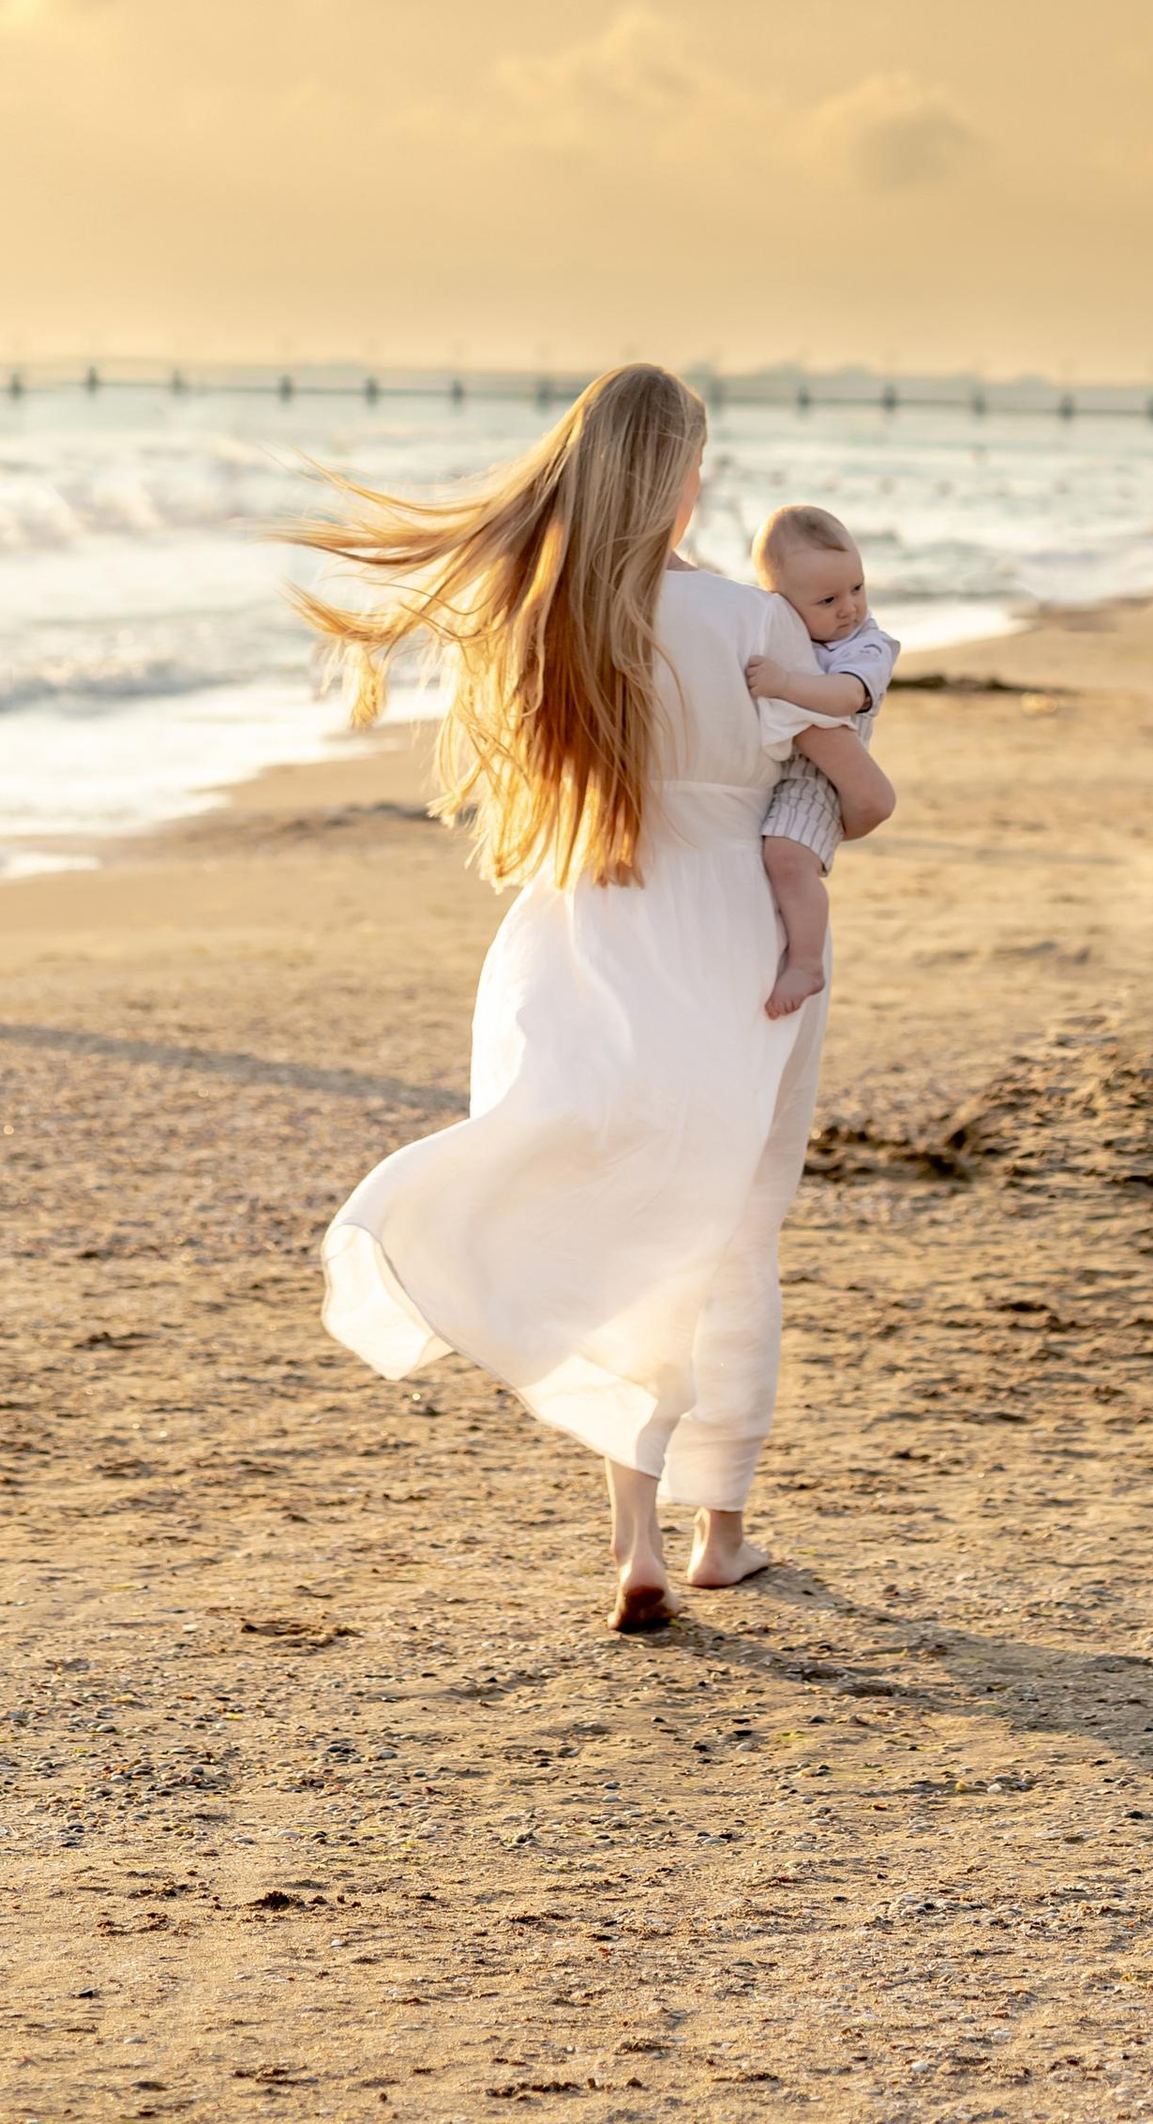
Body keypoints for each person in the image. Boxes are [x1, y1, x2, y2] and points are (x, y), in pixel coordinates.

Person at [297, 365, 893, 1632]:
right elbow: (862, 790)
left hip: (585, 923)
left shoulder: (547, 623)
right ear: (682, 480)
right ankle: (717, 1533)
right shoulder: (750, 618)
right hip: (737, 933)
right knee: (730, 1225)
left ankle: (635, 1543)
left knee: (623, 1208)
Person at [746, 501, 901, 1022]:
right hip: (784, 772)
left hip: (820, 780)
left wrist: (786, 684)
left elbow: (846, 696)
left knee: (787, 861)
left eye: (857, 588)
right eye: (828, 599)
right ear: (781, 605)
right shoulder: (787, 632)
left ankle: (806, 963)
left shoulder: (868, 646)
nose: (849, 608)